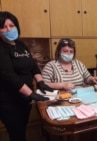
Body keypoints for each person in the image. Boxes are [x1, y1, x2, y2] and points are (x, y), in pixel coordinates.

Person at [0, 11, 53, 141]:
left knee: (21, 130)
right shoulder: (1, 47)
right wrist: (30, 93)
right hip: (8, 102)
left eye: (11, 25)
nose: (8, 29)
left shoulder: (21, 45)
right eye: (3, 27)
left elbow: (33, 65)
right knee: (17, 135)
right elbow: (8, 75)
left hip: (24, 100)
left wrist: (40, 82)